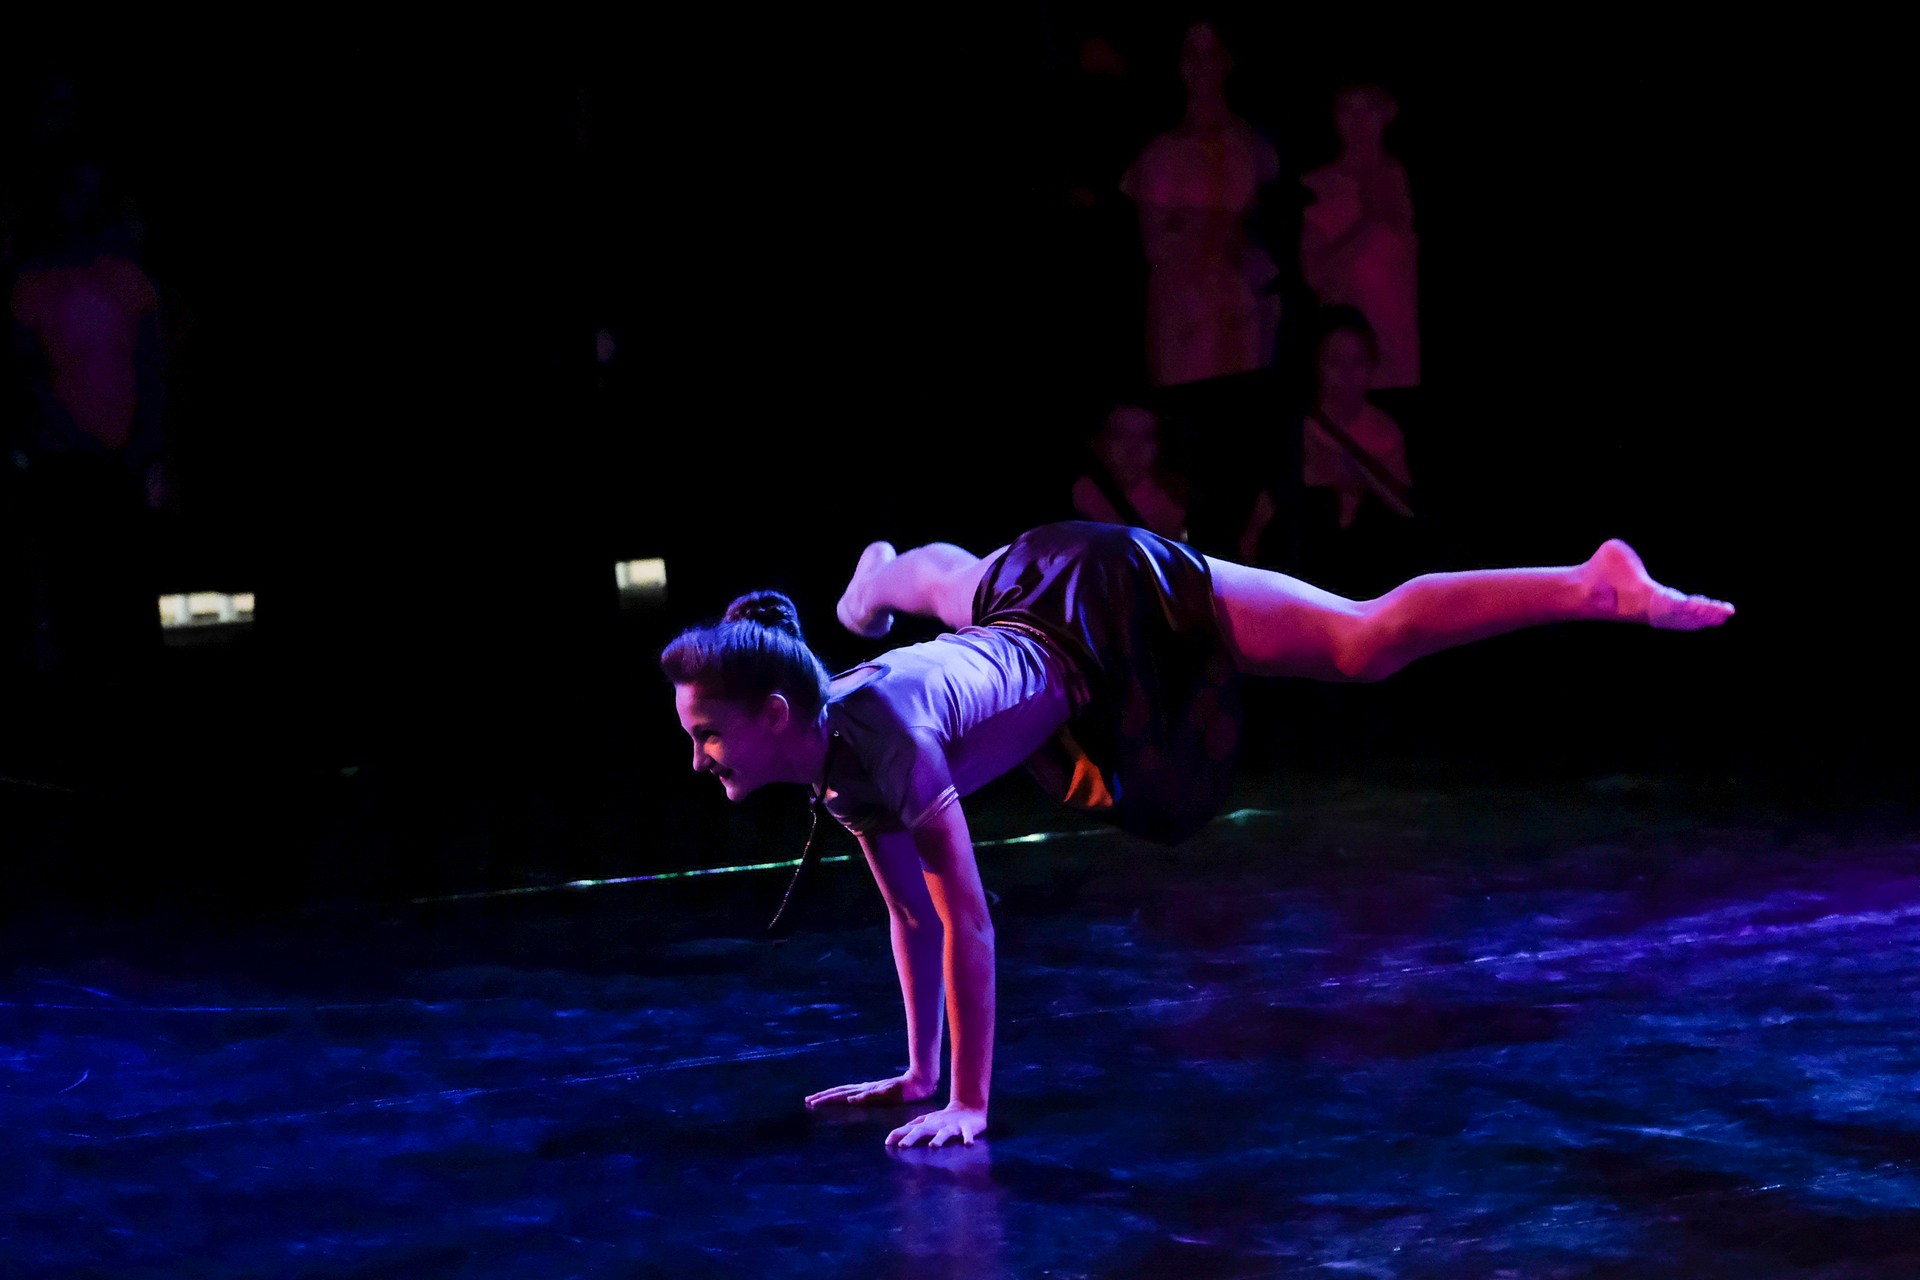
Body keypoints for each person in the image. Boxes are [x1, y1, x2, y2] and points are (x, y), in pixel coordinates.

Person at [660, 522, 1733, 1148]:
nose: (698, 757)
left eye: (706, 734)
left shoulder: (888, 744)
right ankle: (887, 571)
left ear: (777, 715)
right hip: (1034, 585)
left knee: (1358, 642)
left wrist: (967, 1103)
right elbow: (907, 917)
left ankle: (1591, 587)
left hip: (1106, 606)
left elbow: (966, 924)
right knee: (960, 586)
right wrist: (914, 1073)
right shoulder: (834, 759)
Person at [1299, 84, 1420, 390]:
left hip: (1403, 350)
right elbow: (1315, 276)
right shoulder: (1318, 184)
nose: (1359, 121)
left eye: (1369, 109)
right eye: (1348, 109)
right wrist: (1366, 224)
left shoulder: (1400, 176)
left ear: (1388, 112)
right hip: (1350, 358)